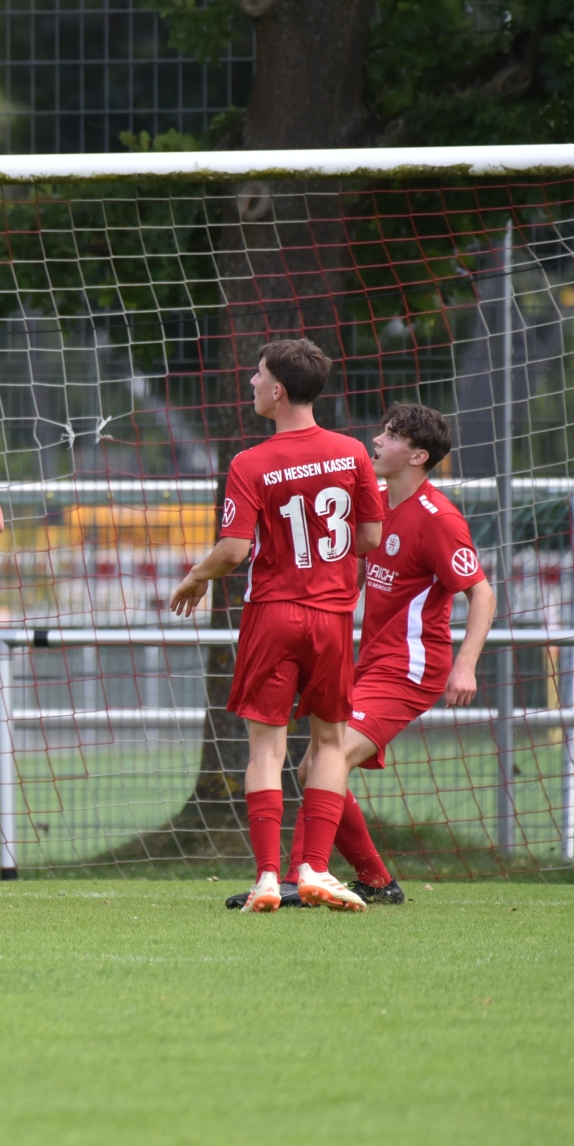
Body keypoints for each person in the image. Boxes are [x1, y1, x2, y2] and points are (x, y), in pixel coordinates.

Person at [235, 404, 493, 908]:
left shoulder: (439, 519)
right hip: (369, 659)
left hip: (411, 667)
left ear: (417, 457)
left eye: (391, 436)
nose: (377, 440)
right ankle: (373, 880)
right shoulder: (372, 497)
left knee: (325, 760)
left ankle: (298, 877)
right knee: (314, 766)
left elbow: (482, 594)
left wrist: (466, 665)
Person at [169, 338, 383, 913]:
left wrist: (196, 576)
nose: (252, 382)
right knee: (330, 742)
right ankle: (315, 867)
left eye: (259, 375)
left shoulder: (250, 461)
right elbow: (369, 537)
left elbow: (234, 550)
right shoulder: (352, 453)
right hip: (332, 616)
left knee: (266, 747)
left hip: (274, 614)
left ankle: (267, 877)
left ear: (279, 390)